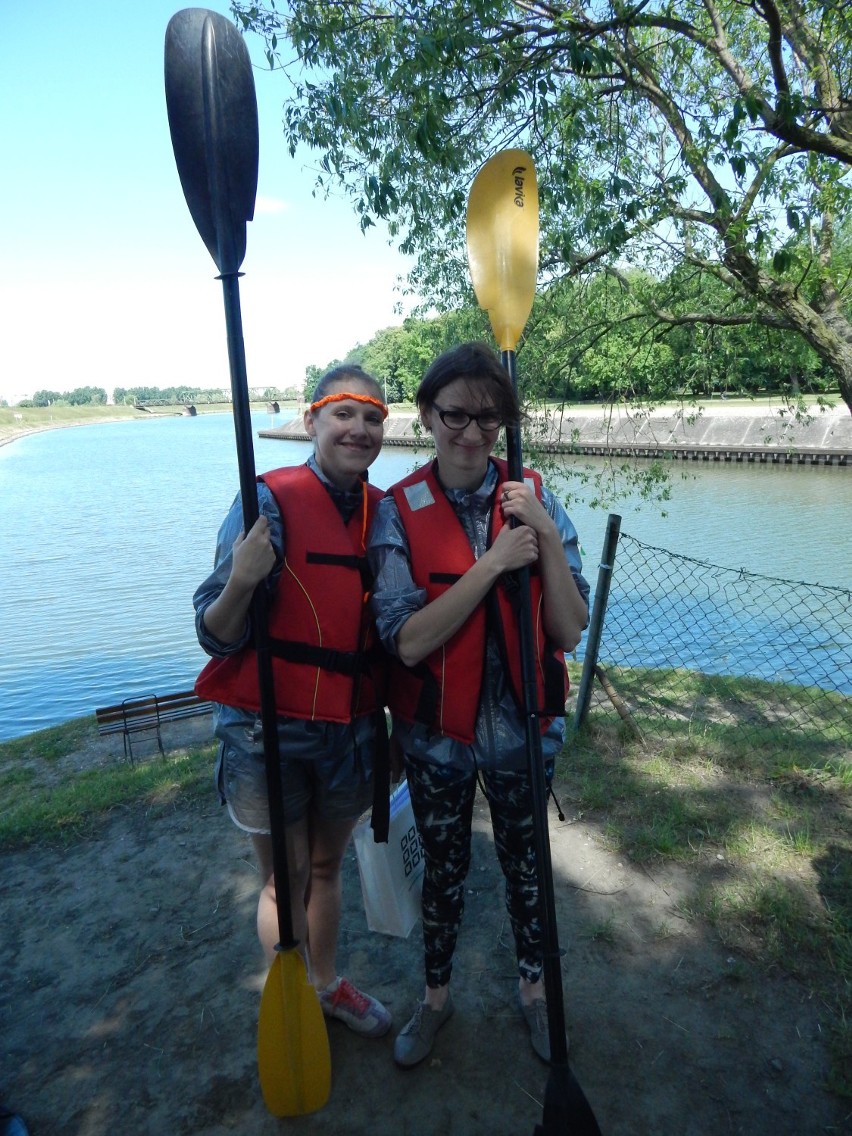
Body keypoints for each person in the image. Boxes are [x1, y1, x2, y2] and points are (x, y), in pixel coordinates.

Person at [368, 342, 590, 1067]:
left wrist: (547, 536)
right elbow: (406, 641)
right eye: (456, 414)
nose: (472, 433)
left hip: (523, 728)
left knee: (528, 867)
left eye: (489, 419)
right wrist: (494, 562)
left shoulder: (534, 496)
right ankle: (435, 999)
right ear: (428, 414)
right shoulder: (397, 513)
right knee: (445, 870)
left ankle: (534, 993)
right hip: (439, 736)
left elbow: (567, 627)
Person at [193, 365, 392, 1039]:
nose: (359, 429)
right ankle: (290, 991)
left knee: (329, 866)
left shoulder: (383, 513)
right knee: (285, 878)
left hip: (351, 728)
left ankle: (326, 982)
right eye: (344, 413)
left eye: (373, 418)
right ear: (312, 421)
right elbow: (216, 635)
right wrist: (243, 580)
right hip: (265, 730)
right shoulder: (265, 502)